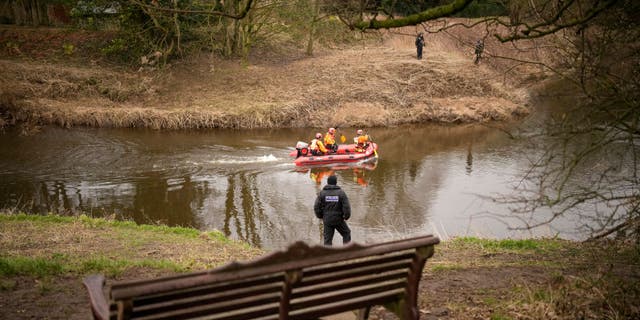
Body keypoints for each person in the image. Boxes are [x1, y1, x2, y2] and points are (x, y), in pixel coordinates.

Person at [314, 175, 351, 246]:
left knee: (327, 240)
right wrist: (346, 217)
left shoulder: (322, 193)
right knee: (346, 233)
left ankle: (328, 255)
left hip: (327, 220)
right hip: (338, 219)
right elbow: (346, 207)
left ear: (328, 182)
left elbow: (316, 207)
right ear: (336, 182)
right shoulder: (341, 193)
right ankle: (346, 251)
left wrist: (321, 216)